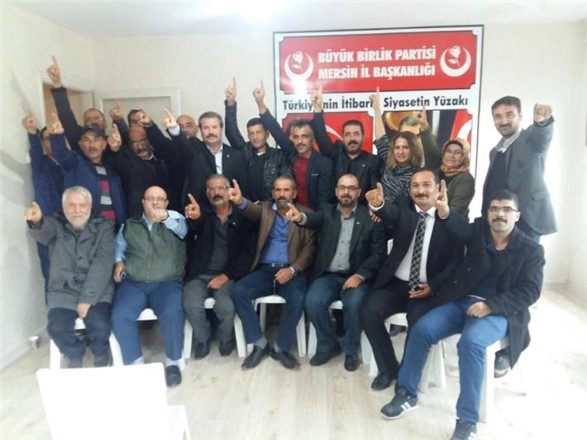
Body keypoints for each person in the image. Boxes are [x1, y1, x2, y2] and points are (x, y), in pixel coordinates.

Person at [380, 188, 545, 440]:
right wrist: (445, 211)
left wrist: (490, 305)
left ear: (517, 215)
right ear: (487, 213)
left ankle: (467, 420)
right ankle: (406, 393)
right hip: (461, 302)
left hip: (498, 311)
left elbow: (530, 291)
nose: (500, 214)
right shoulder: (479, 231)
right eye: (494, 209)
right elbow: (460, 229)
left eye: (506, 209)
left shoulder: (531, 250)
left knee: (470, 343)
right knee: (422, 328)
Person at [360, 168, 463, 391]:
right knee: (368, 311)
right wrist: (378, 205)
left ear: (439, 189)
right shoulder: (404, 209)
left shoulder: (450, 219)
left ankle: (407, 376)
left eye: (426, 185)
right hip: (396, 283)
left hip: (428, 289)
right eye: (415, 185)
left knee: (418, 326)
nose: (421, 190)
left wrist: (433, 286)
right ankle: (388, 369)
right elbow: (389, 212)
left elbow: (456, 262)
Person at [287, 174, 386, 371]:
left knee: (355, 304)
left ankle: (350, 351)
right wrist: (300, 218)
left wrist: (360, 275)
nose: (346, 192)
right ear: (336, 191)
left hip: (356, 276)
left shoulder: (371, 218)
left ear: (358, 192)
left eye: (351, 188)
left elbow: (379, 254)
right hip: (328, 276)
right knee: (312, 301)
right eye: (342, 187)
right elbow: (310, 219)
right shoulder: (327, 212)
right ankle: (328, 345)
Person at [229, 176, 317, 370]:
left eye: (286, 190)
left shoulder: (306, 214)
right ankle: (259, 343)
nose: (281, 194)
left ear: (294, 193)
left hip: (291, 270)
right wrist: (240, 201)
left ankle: (281, 347)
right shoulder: (266, 209)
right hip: (265, 270)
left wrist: (292, 270)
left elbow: (309, 250)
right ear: (273, 193)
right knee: (238, 291)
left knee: (298, 297)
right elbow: (251, 210)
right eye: (278, 190)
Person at [25, 186, 114, 368]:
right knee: (56, 328)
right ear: (64, 207)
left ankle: (100, 352)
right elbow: (43, 232)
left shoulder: (104, 228)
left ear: (90, 207)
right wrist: (37, 221)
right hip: (63, 291)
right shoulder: (56, 225)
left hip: (97, 291)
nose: (77, 210)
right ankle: (74, 354)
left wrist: (87, 299)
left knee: (100, 324)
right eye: (72, 205)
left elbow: (102, 266)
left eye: (82, 205)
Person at [111, 186, 187, 387]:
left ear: (166, 203)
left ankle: (173, 363)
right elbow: (120, 247)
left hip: (167, 283)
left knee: (172, 312)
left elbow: (182, 230)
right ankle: (135, 363)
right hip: (134, 284)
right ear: (143, 202)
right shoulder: (130, 225)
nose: (155, 202)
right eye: (150, 198)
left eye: (159, 199)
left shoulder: (176, 220)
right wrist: (118, 261)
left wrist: (165, 218)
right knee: (120, 315)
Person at [182, 175, 257, 359]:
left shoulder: (242, 216)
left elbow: (248, 253)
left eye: (221, 188)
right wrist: (194, 219)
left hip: (228, 275)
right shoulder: (202, 213)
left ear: (228, 190)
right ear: (207, 193)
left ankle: (226, 339)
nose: (216, 192)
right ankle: (203, 339)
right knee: (191, 304)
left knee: (226, 306)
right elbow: (192, 228)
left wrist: (226, 276)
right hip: (200, 274)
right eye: (211, 189)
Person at [482, 96, 555, 241]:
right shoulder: (494, 152)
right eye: (498, 116)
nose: (504, 121)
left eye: (509, 114)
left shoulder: (531, 138)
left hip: (526, 219)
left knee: (527, 256)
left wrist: (542, 123)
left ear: (520, 116)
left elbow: (542, 138)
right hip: (498, 220)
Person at [254, 81, 333, 210]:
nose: (300, 141)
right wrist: (260, 102)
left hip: (312, 215)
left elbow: (324, 201)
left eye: (304, 136)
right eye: (296, 137)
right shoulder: (291, 152)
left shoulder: (323, 164)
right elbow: (275, 130)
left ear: (313, 139)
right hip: (287, 212)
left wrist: (318, 109)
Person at [49, 112, 127, 228]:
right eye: (86, 140)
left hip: (114, 229)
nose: (91, 145)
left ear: (104, 144)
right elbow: (61, 154)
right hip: (87, 230)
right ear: (80, 145)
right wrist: (57, 136)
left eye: (96, 139)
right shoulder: (75, 163)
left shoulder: (112, 169)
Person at [310, 87, 383, 203]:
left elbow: (373, 193)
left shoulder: (372, 162)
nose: (352, 139)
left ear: (363, 137)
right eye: (348, 134)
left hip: (362, 211)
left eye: (356, 134)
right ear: (343, 138)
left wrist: (377, 110)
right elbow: (321, 138)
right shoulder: (335, 153)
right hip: (335, 210)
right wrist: (318, 109)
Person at [224, 78, 291, 202]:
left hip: (271, 206)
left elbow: (285, 184)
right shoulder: (244, 151)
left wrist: (260, 102)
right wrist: (231, 103)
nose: (255, 137)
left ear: (267, 134)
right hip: (247, 206)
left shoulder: (279, 156)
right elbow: (231, 132)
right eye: (251, 133)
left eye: (259, 132)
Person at [167, 110, 251, 205]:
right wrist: (174, 129)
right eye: (206, 128)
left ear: (221, 129)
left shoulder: (237, 156)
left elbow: (244, 190)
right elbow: (183, 144)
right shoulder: (194, 148)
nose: (211, 132)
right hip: (200, 209)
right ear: (200, 130)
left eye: (214, 127)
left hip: (230, 209)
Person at [22, 111, 64, 300]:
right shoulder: (41, 165)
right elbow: (35, 151)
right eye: (47, 138)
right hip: (47, 227)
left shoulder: (72, 164)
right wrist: (32, 132)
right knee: (52, 275)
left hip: (72, 228)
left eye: (55, 137)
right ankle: (55, 314)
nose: (52, 142)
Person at [107, 121, 179, 216]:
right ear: (129, 144)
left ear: (149, 140)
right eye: (135, 143)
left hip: (169, 213)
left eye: (142, 141)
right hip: (140, 216)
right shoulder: (127, 160)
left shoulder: (161, 155)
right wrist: (114, 149)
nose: (140, 146)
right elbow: (116, 161)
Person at [370, 91, 424, 204]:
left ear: (413, 149)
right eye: (397, 147)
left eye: (405, 147)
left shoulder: (417, 173)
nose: (400, 151)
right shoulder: (390, 161)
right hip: (381, 209)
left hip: (401, 212)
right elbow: (381, 139)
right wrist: (377, 110)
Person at [47, 56, 108, 151]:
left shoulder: (113, 142)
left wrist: (119, 121)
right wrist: (57, 82)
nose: (92, 121)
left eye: (96, 118)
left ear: (104, 122)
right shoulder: (77, 137)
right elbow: (65, 113)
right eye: (88, 119)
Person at [437, 138, 475, 217]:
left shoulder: (466, 179)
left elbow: (456, 210)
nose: (452, 156)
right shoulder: (437, 173)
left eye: (457, 152)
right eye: (448, 151)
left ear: (464, 156)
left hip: (452, 223)